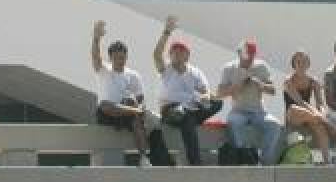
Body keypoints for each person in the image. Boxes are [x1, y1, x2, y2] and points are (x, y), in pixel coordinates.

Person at [91, 21, 163, 168]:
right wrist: (96, 38)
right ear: (110, 58)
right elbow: (95, 56)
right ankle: (138, 112)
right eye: (117, 58)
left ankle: (143, 158)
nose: (120, 61)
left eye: (123, 57)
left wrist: (132, 102)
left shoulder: (133, 75)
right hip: (107, 114)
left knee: (136, 116)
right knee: (104, 104)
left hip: (126, 113)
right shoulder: (104, 70)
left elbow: (140, 97)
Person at [153, 15, 221, 166]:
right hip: (170, 110)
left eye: (180, 51)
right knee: (184, 117)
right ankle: (196, 162)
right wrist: (166, 32)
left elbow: (206, 92)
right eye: (173, 52)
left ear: (187, 55)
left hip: (192, 108)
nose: (176, 54)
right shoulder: (166, 70)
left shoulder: (195, 72)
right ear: (170, 55)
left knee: (217, 102)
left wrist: (204, 97)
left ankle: (192, 117)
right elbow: (157, 55)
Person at [217, 39, 282, 164]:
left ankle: (264, 162)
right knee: (232, 123)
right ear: (239, 53)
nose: (249, 58)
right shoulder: (229, 68)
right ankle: (244, 158)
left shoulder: (261, 66)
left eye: (252, 54)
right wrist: (237, 86)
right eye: (246, 54)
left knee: (275, 125)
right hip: (238, 111)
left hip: (259, 111)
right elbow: (220, 93)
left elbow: (273, 90)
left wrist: (260, 84)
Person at [281, 50, 335, 163]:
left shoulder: (313, 81)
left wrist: (322, 113)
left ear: (308, 64)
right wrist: (321, 117)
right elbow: (300, 102)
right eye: (298, 62)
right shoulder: (288, 81)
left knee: (319, 126)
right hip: (293, 116)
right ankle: (326, 123)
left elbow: (320, 103)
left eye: (304, 61)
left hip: (309, 116)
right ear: (293, 64)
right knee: (295, 108)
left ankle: (327, 161)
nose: (301, 64)